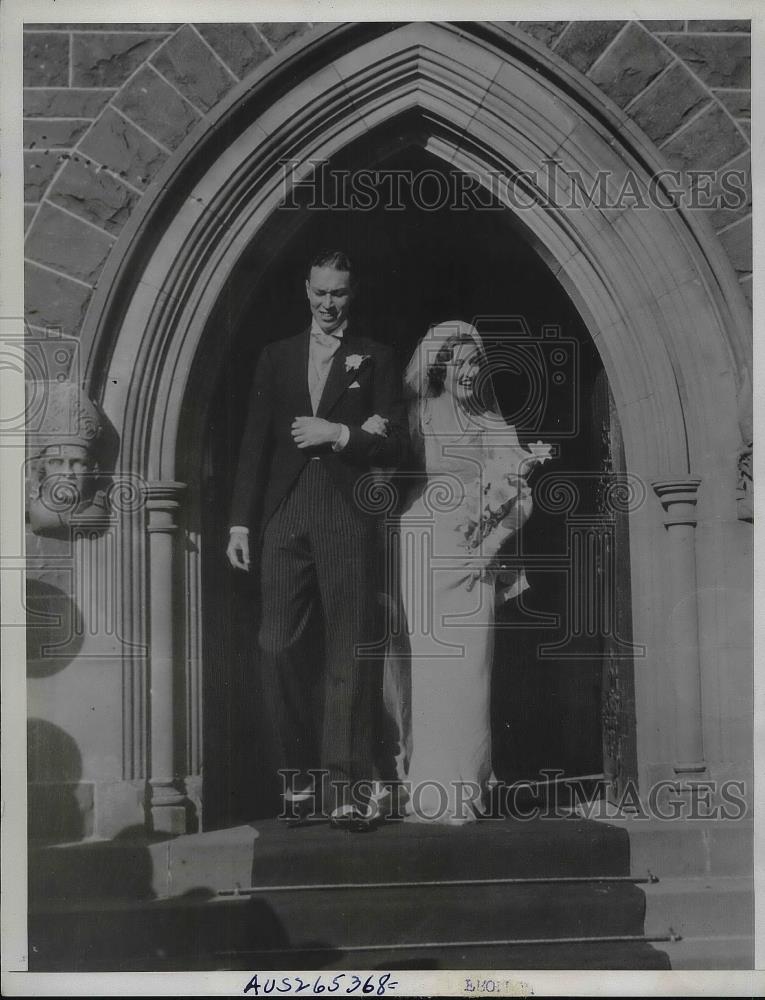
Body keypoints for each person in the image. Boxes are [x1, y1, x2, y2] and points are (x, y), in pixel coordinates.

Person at [226, 249, 407, 830]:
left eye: (339, 295)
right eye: (320, 293)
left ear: (354, 295)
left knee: (349, 648)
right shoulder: (275, 357)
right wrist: (240, 522)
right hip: (284, 514)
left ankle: (349, 787)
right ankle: (298, 778)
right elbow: (255, 441)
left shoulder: (377, 357)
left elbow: (396, 443)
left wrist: (341, 433)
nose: (328, 305)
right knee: (276, 644)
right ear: (306, 290)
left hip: (346, 513)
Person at [382, 320, 545, 825]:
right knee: (426, 669)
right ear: (439, 366)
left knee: (472, 672)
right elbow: (385, 475)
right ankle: (425, 788)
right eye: (459, 363)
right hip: (420, 546)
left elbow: (522, 492)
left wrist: (491, 544)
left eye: (476, 362)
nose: (470, 372)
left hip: (474, 556)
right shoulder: (413, 416)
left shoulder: (492, 421)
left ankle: (465, 788)